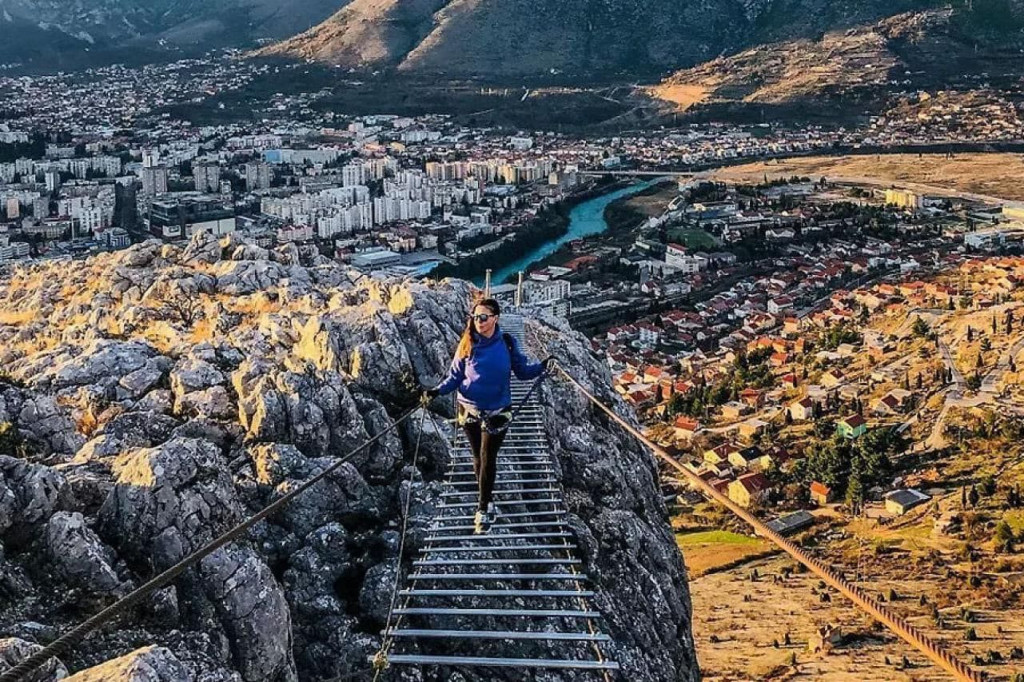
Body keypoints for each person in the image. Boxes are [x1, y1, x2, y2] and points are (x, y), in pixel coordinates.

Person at [423, 298, 554, 533]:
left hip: (498, 409)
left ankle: (482, 508)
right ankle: (486, 499)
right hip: (468, 408)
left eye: (483, 317)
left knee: (487, 456)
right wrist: (435, 391)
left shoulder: (507, 343)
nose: (478, 321)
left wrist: (542, 367)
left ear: (495, 318)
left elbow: (522, 372)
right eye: (475, 317)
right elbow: (455, 376)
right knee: (478, 456)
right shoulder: (467, 342)